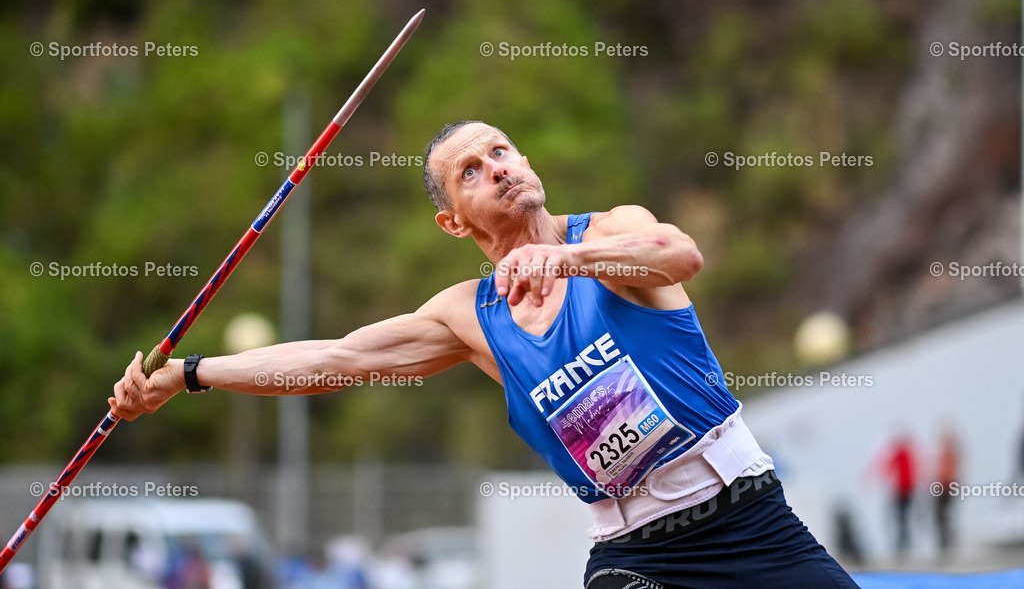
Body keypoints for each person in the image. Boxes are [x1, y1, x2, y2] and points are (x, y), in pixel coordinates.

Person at [111, 121, 858, 588]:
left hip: (750, 524)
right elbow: (338, 357)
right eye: (471, 170)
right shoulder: (471, 317)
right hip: (637, 559)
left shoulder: (608, 235)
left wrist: (567, 263)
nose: (497, 166)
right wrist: (191, 372)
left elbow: (679, 253)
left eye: (500, 150)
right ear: (451, 219)